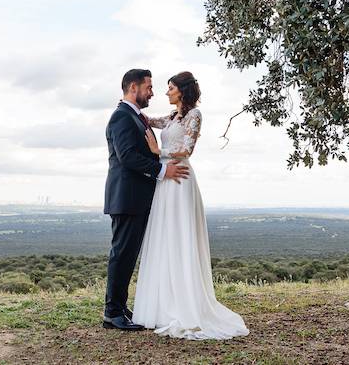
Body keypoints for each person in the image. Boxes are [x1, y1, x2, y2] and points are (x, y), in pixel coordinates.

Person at [132, 71, 249, 340]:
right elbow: (148, 120)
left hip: (180, 179)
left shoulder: (194, 115)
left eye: (170, 87)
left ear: (182, 90)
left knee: (180, 236)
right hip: (166, 182)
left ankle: (185, 302)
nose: (166, 92)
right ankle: (162, 303)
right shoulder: (172, 117)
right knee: (165, 236)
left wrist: (157, 153)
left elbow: (187, 150)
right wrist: (130, 107)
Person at [102, 69, 189, 331]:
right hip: (126, 197)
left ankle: (119, 306)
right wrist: (164, 170)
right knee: (122, 254)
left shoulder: (135, 116)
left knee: (129, 255)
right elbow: (127, 156)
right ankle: (112, 313)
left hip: (137, 197)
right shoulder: (121, 117)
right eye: (148, 87)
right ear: (133, 88)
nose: (152, 92)